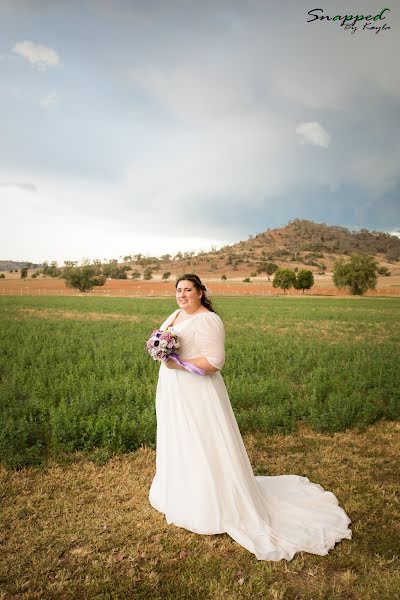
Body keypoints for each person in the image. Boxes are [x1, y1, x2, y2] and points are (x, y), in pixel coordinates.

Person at [148, 274, 352, 561]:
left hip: (197, 391)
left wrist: (177, 364)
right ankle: (182, 492)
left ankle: (212, 503)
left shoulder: (208, 320)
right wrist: (161, 353)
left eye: (188, 290)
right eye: (179, 290)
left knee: (203, 442)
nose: (182, 295)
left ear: (201, 292)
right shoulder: (176, 314)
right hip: (174, 390)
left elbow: (214, 362)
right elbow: (166, 342)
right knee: (179, 438)